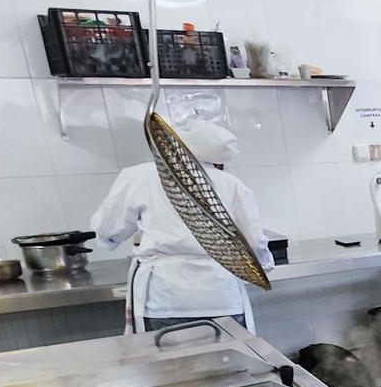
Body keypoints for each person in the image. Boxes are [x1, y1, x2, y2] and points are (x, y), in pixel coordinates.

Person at [91, 117, 272, 333]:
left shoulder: (139, 176)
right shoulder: (231, 184)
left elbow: (107, 229)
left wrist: (108, 241)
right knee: (231, 363)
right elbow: (254, 243)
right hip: (222, 295)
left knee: (173, 365)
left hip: (166, 299)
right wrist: (263, 268)